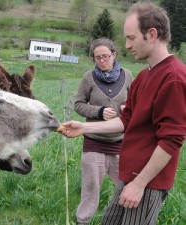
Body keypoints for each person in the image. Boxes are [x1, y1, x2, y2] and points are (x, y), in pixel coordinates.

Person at [61, 2, 186, 225]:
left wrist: (139, 185)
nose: (127, 46)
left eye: (131, 38)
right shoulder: (144, 76)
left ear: (151, 34)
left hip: (147, 182)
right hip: (131, 174)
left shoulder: (174, 77)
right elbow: (126, 120)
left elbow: (172, 139)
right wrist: (85, 127)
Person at [74, 38, 133, 225]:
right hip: (94, 142)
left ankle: (127, 219)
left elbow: (136, 102)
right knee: (91, 188)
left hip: (120, 143)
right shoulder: (88, 78)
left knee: (125, 186)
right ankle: (83, 221)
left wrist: (127, 108)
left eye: (105, 56)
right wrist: (98, 111)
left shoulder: (128, 75)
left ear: (114, 54)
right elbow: (78, 105)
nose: (101, 60)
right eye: (97, 57)